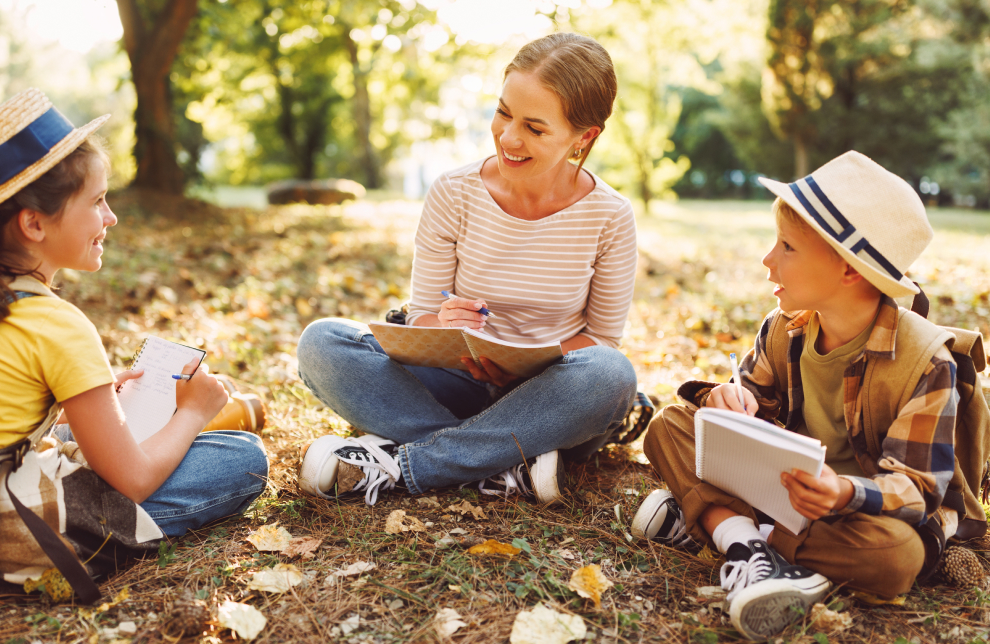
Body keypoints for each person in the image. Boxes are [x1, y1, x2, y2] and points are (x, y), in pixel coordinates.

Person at [296, 32, 638, 506]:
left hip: (549, 396)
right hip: (456, 379)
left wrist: (525, 364)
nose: (508, 137)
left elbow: (601, 340)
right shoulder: (453, 192)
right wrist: (441, 326)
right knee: (322, 343)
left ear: (584, 137)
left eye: (535, 129)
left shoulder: (610, 216)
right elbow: (421, 316)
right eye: (503, 113)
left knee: (611, 375)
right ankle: (505, 462)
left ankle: (410, 462)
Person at [0, 89, 269, 542]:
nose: (112, 217)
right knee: (240, 458)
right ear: (34, 224)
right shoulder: (55, 324)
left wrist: (77, 404)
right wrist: (194, 413)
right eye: (98, 201)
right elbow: (135, 480)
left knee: (84, 436)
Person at [632, 151, 957, 639]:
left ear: (848, 269)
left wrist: (844, 491)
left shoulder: (927, 362)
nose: (768, 260)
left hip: (851, 514)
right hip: (778, 489)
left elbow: (918, 490)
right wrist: (726, 399)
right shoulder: (787, 326)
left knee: (898, 557)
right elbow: (751, 403)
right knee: (669, 425)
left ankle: (721, 526)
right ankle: (749, 547)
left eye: (786, 246)